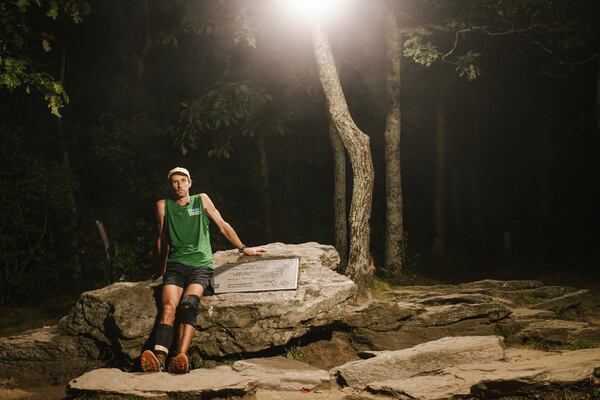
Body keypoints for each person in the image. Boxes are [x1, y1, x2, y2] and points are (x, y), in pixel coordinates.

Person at [140, 167, 266, 373]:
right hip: (175, 265)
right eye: (175, 182)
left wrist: (244, 248)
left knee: (189, 305)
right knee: (169, 308)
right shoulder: (163, 206)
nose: (179, 185)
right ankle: (159, 358)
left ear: (190, 182)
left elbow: (222, 225)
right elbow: (163, 239)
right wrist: (161, 268)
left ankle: (180, 357)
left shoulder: (202, 200)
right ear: (170, 185)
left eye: (183, 180)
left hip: (200, 265)